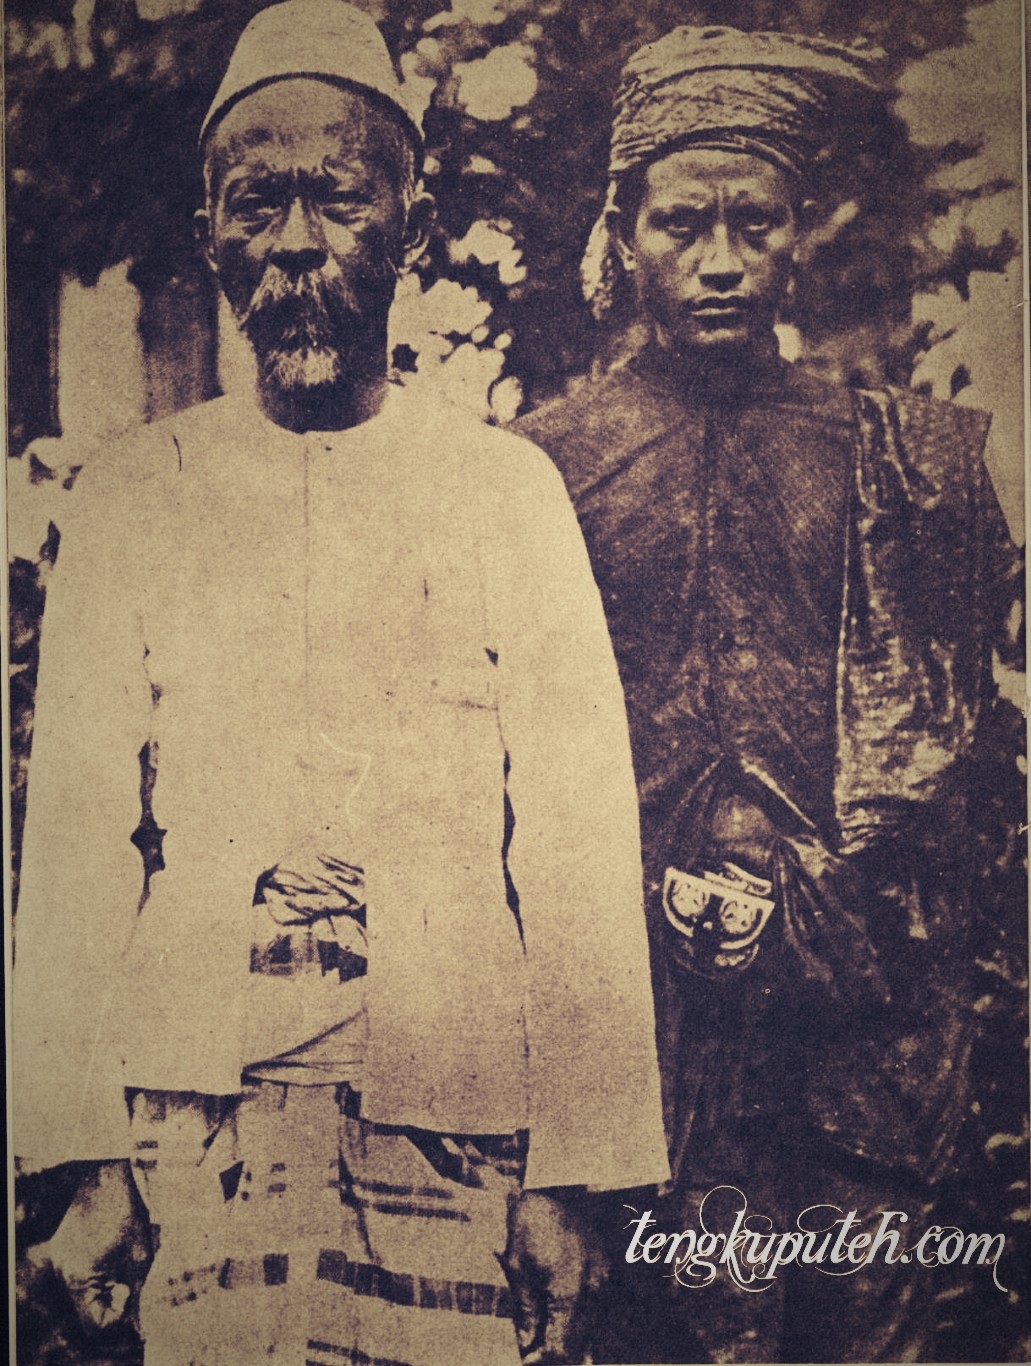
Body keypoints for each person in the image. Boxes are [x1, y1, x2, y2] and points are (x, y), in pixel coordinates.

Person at [11, 4, 669, 1363]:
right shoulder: (134, 500)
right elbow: (74, 845)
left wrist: (573, 1171)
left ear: (410, 231)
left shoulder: (506, 494)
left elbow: (576, 847)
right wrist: (81, 1158)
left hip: (457, 1120)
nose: (297, 243)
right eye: (258, 206)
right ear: (210, 233)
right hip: (196, 1128)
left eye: (340, 201)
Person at [514, 25, 1022, 1364]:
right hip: (639, 1042)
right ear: (625, 232)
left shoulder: (894, 461)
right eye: (684, 223)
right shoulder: (537, 469)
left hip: (862, 1040)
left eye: (756, 222)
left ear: (800, 233)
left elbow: (961, 763)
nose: (724, 259)